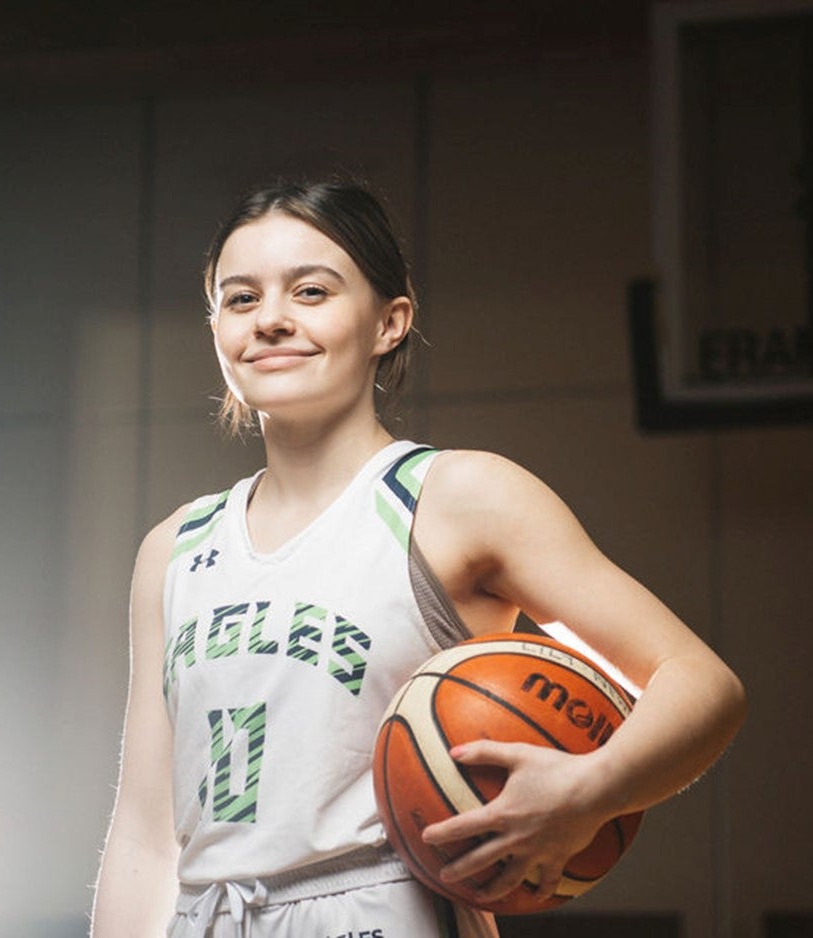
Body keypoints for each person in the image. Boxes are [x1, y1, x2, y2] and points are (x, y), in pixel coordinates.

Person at [90, 180, 747, 938]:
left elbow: (703, 683)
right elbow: (145, 829)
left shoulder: (455, 498)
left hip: (381, 908)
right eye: (240, 300)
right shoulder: (175, 548)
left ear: (389, 322)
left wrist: (589, 790)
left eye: (311, 291)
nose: (271, 319)